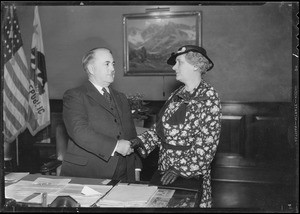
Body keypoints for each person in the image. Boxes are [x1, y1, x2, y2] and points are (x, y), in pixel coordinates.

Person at [130, 45, 222, 208]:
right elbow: (162, 129)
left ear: (195, 65)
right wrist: (139, 141)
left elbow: (208, 146)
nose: (173, 67)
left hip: (191, 174)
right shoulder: (176, 95)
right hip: (165, 169)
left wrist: (180, 169)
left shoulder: (209, 98)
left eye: (179, 62)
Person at [60, 47, 141, 182]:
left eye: (113, 64)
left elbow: (131, 134)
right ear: (92, 69)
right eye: (107, 64)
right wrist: (115, 146)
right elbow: (79, 132)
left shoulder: (121, 97)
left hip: (124, 173)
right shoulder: (75, 96)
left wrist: (136, 167)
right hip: (89, 173)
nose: (113, 68)